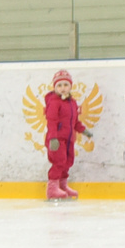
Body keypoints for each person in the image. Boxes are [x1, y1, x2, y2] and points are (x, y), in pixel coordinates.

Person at [40, 69, 92, 200]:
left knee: (68, 162)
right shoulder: (54, 102)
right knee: (59, 162)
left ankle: (62, 186)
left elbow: (74, 121)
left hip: (69, 139)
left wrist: (83, 130)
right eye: (59, 85)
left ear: (70, 86)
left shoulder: (72, 102)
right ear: (55, 87)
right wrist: (53, 138)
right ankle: (52, 189)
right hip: (56, 139)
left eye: (65, 85)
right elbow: (52, 121)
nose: (63, 88)